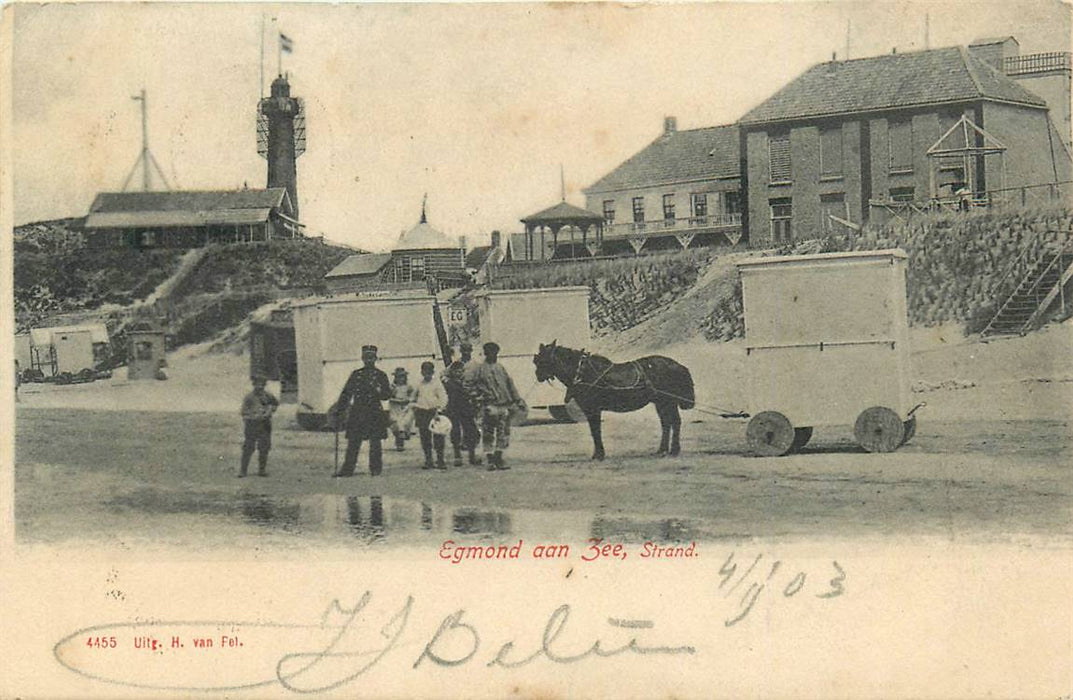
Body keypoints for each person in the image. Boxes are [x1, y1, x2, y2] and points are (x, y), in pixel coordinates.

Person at [332, 345, 392, 477]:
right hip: (358, 411)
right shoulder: (356, 374)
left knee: (375, 443)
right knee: (353, 442)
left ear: (375, 359)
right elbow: (346, 393)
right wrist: (340, 409)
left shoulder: (381, 375)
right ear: (362, 358)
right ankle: (347, 470)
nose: (368, 360)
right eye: (366, 357)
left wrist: (379, 391)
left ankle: (376, 469)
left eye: (371, 357)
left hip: (374, 412)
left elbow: (387, 395)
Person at [464, 341, 524, 471]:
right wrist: (478, 397)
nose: (493, 355)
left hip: (503, 405)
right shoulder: (479, 369)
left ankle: (499, 458)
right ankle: (490, 460)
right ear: (486, 354)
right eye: (490, 353)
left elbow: (510, 384)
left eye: (495, 353)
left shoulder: (500, 368)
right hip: (489, 405)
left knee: (503, 433)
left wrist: (517, 400)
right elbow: (468, 385)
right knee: (488, 433)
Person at [442, 344, 481, 467]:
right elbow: (443, 375)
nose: (466, 352)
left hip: (468, 399)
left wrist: (476, 394)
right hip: (454, 401)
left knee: (470, 429)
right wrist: (449, 383)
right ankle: (457, 455)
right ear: (461, 351)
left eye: (468, 350)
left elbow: (480, 381)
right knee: (455, 429)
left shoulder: (475, 365)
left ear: (471, 351)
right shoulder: (455, 364)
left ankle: (472, 455)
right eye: (463, 350)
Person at [239, 374, 279, 477]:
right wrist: (252, 416)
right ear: (254, 385)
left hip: (265, 425)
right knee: (248, 447)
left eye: (262, 385)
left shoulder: (268, 396)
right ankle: (243, 471)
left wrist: (269, 410)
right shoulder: (249, 397)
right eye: (258, 384)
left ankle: (262, 470)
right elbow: (243, 411)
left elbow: (275, 404)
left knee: (264, 447)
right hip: (252, 425)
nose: (260, 387)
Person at [413, 360, 448, 469]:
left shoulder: (437, 384)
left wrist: (439, 409)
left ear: (433, 372)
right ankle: (428, 460)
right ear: (422, 372)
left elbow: (443, 397)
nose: (427, 373)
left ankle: (440, 460)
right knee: (425, 438)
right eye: (425, 371)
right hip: (422, 412)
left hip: (434, 412)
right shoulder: (419, 384)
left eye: (429, 371)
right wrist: (415, 406)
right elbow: (413, 397)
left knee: (438, 437)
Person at [388, 367, 416, 450]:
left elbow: (412, 397)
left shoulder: (409, 387)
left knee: (405, 422)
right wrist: (397, 400)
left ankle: (404, 436)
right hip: (395, 407)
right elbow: (388, 397)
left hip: (405, 407)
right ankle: (399, 443)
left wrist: (407, 400)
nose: (401, 379)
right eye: (398, 377)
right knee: (396, 422)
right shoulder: (392, 387)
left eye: (402, 376)